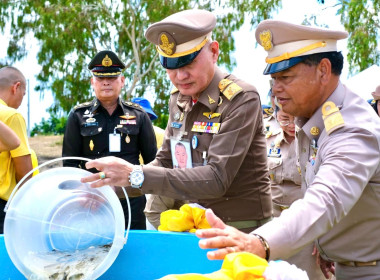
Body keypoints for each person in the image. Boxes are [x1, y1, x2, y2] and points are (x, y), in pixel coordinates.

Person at [196, 20, 380, 280]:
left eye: (285, 77)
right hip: (345, 266)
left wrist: (259, 242)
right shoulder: (313, 121)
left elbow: (326, 199)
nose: (275, 89)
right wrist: (325, 242)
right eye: (273, 79)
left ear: (323, 71)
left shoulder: (351, 129)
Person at [81, 9, 272, 234]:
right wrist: (112, 185)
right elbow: (166, 160)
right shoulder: (179, 98)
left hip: (238, 231)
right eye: (170, 67)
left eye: (187, 64)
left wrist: (136, 175)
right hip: (189, 226)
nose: (180, 76)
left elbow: (217, 178)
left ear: (214, 51)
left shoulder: (241, 99)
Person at [62, 50, 157, 230]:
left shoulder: (139, 115)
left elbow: (153, 161)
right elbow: (69, 165)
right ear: (92, 82)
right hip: (92, 202)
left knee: (134, 250)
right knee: (94, 253)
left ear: (122, 81)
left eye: (112, 78)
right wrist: (82, 195)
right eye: (100, 78)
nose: (106, 82)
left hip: (131, 200)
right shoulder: (78, 115)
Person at [267, 105, 325, 279]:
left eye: (296, 118)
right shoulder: (268, 139)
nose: (291, 124)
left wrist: (322, 235)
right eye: (285, 118)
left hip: (307, 225)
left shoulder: (319, 140)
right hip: (273, 222)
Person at [0, 66, 34, 233]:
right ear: (16, 87)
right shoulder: (11, 116)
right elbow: (24, 170)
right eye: (24, 93)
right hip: (3, 206)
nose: (22, 98)